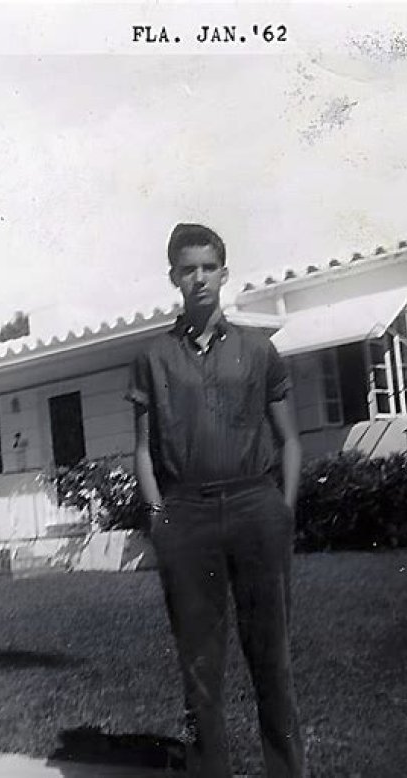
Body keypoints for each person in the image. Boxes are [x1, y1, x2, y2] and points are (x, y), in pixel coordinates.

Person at [126, 223, 304, 777]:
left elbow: (290, 440)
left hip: (256, 506)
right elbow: (143, 449)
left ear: (225, 274)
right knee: (199, 665)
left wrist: (282, 510)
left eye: (208, 267)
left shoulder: (258, 349)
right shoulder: (153, 357)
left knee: (271, 657)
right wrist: (159, 517)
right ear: (173, 278)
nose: (199, 278)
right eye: (188, 269)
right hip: (186, 515)